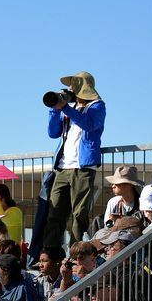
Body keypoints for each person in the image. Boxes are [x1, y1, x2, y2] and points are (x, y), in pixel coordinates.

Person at [43, 71, 105, 255]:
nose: (70, 90)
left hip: (83, 167)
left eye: (73, 86)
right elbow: (53, 133)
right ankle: (51, 252)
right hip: (63, 167)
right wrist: (55, 109)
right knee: (55, 212)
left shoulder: (97, 106)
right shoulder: (69, 110)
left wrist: (66, 108)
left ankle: (76, 252)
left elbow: (90, 124)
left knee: (79, 213)